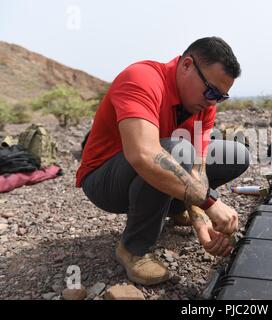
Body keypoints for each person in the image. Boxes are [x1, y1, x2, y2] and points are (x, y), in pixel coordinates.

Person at [75, 37, 249, 285]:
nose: (212, 102)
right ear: (187, 65)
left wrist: (201, 224)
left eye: (220, 97)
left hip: (162, 161)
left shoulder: (204, 104)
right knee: (177, 150)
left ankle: (175, 209)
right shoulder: (142, 78)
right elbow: (143, 155)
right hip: (104, 179)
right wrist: (210, 201)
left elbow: (198, 167)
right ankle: (133, 249)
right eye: (210, 91)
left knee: (235, 154)